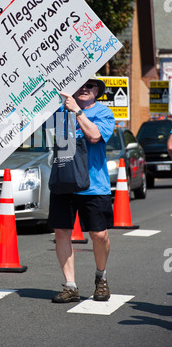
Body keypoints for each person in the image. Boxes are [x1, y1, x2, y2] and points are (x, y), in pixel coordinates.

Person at [48, 76, 115, 303]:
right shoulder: (58, 112)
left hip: (93, 185)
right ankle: (70, 285)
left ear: (97, 90)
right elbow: (47, 140)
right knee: (61, 233)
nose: (84, 89)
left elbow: (95, 136)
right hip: (64, 182)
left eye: (90, 85)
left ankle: (101, 276)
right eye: (80, 85)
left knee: (99, 234)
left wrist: (77, 111)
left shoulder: (104, 113)